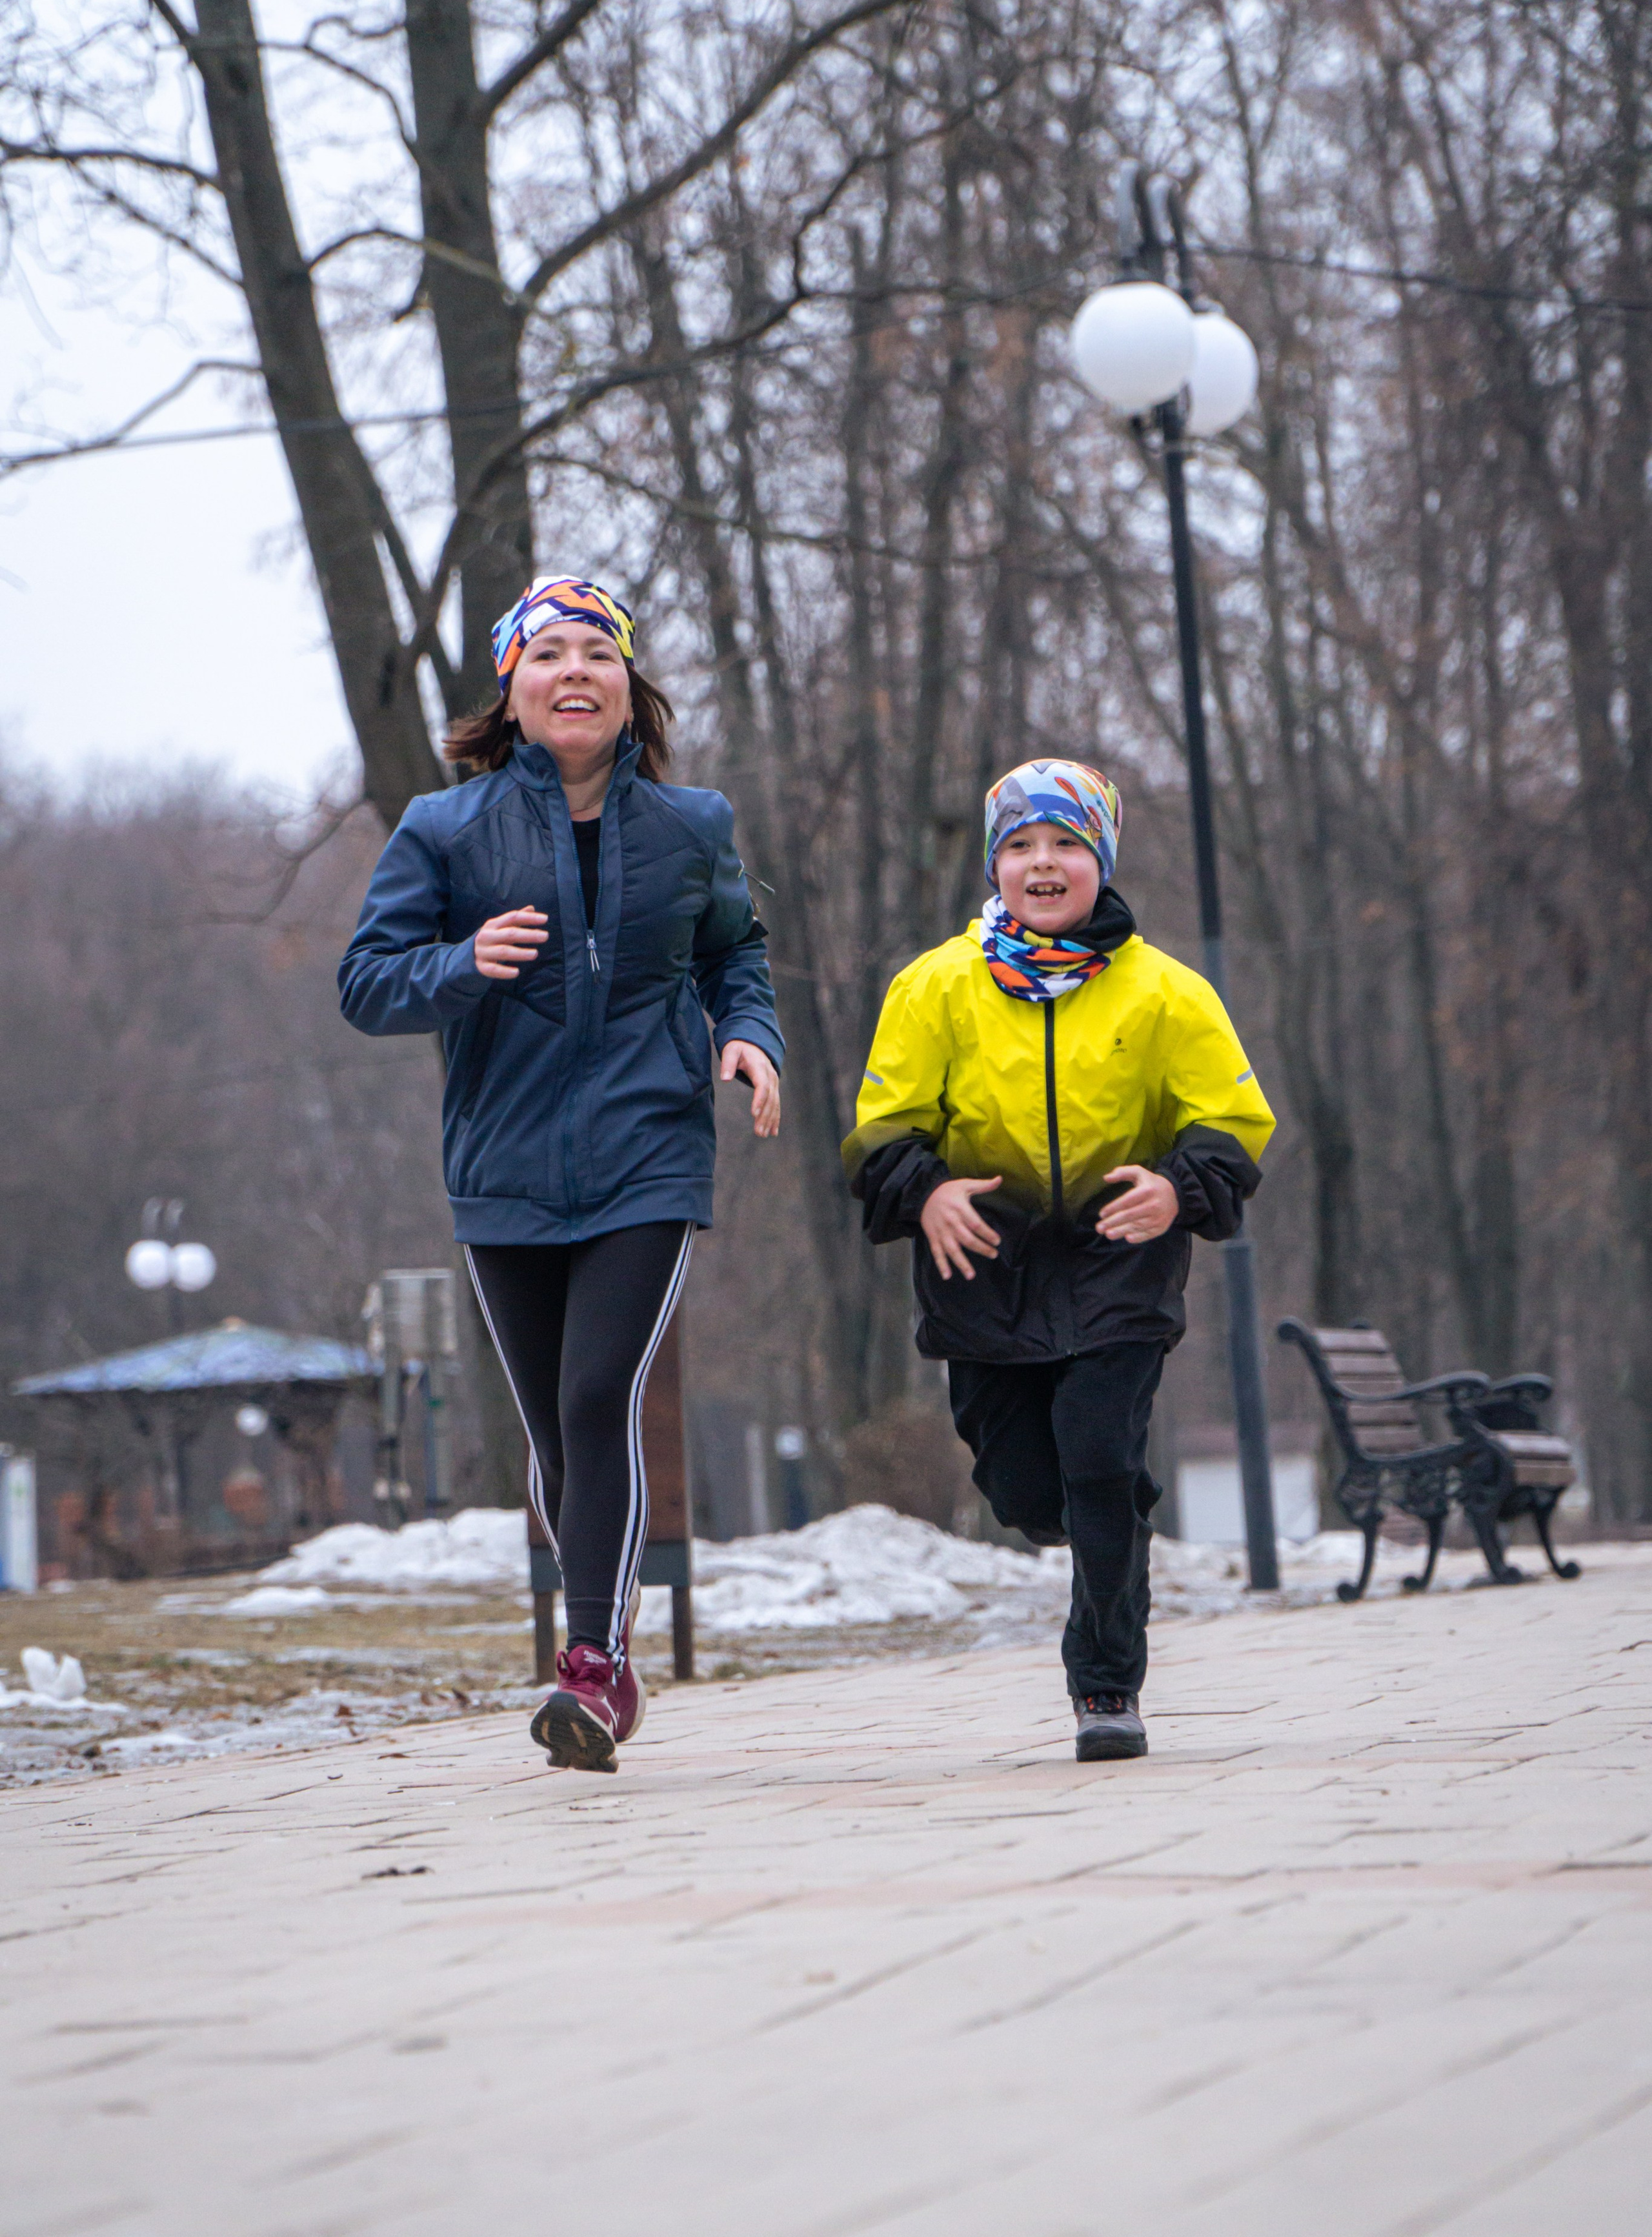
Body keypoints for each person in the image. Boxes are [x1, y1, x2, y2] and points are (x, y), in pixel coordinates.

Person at [339, 575, 783, 1773]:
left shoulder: (693, 824)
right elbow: (366, 984)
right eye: (549, 653)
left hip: (650, 1153)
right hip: (504, 1166)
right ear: (514, 687)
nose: (574, 670)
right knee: (552, 1434)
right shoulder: (444, 829)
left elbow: (735, 952)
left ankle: (589, 1666)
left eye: (599, 651)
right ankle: (612, 1646)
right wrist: (461, 963)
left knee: (598, 1401)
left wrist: (750, 1036)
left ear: (628, 689)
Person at [842, 760, 1273, 1761]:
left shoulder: (1168, 992)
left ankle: (1106, 1686)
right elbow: (880, 1129)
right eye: (1021, 846)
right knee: (1032, 1493)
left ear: (1101, 861)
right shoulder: (935, 986)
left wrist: (1178, 1187)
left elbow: (1233, 1122)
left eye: (1067, 844)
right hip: (986, 1267)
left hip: (1120, 1261)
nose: (1044, 864)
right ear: (996, 867)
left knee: (1098, 1455)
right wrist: (927, 1191)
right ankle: (1108, 1514)